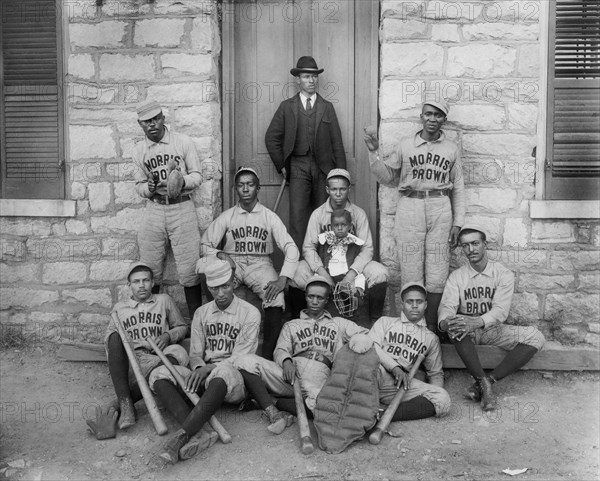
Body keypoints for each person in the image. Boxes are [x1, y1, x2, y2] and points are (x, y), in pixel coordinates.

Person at [363, 101, 465, 334]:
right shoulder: (406, 145)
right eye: (428, 114)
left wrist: (458, 222)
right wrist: (373, 153)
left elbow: (458, 187)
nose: (432, 119)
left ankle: (431, 327)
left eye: (438, 115)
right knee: (410, 268)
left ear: (444, 120)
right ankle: (410, 327)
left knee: (438, 271)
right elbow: (387, 177)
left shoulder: (450, 149)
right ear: (421, 117)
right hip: (410, 206)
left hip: (440, 205)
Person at [151, 257, 261, 464]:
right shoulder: (201, 313)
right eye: (215, 288)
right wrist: (200, 368)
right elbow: (195, 354)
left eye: (225, 287)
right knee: (160, 374)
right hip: (205, 377)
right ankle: (199, 431)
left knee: (223, 372)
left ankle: (180, 438)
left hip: (233, 380)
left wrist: (209, 368)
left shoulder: (250, 313)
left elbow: (240, 358)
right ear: (208, 287)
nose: (220, 294)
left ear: (233, 284)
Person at [234, 274, 369, 431]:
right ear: (305, 297)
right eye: (311, 296)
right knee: (245, 361)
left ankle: (271, 400)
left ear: (326, 300)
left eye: (320, 298)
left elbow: (365, 335)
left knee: (327, 408)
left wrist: (352, 349)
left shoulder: (338, 324)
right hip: (290, 375)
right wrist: (286, 361)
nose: (314, 301)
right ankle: (272, 412)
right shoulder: (292, 325)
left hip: (320, 374)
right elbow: (281, 349)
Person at [438, 224, 545, 411]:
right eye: (465, 246)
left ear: (484, 244)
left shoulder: (502, 273)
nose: (470, 249)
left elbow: (500, 311)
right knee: (456, 326)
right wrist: (447, 322)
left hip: (491, 329)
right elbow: (447, 307)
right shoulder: (457, 277)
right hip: (466, 333)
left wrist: (478, 322)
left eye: (475, 243)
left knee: (536, 337)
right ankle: (484, 385)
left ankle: (487, 381)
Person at [199, 167, 299, 360]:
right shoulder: (228, 216)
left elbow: (291, 247)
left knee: (276, 298)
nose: (245, 189)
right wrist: (220, 254)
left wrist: (282, 279)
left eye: (250, 185)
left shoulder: (269, 216)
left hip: (260, 264)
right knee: (204, 266)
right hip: (232, 262)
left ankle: (268, 358)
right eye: (241, 185)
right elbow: (205, 244)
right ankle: (215, 339)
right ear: (236, 189)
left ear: (258, 188)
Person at [86, 262, 188, 440]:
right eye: (136, 281)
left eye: (146, 280)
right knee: (114, 337)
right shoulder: (120, 308)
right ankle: (125, 404)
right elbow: (110, 342)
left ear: (152, 282)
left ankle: (122, 404)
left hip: (159, 357)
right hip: (134, 360)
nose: (141, 285)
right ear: (129, 285)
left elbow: (181, 327)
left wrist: (167, 336)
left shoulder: (163, 300)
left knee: (180, 352)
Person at [265, 55, 346, 249]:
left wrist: (341, 175)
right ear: (298, 80)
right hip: (297, 167)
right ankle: (299, 267)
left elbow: (337, 143)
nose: (312, 80)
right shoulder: (287, 107)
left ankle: (324, 264)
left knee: (324, 217)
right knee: (298, 217)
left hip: (323, 169)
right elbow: (271, 138)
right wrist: (282, 166)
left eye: (314, 76)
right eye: (307, 76)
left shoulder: (327, 107)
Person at [132, 99, 204, 319]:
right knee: (150, 268)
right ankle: (151, 321)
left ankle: (195, 325)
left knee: (190, 268)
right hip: (155, 208)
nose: (152, 125)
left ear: (163, 118)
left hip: (181, 206)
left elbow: (198, 175)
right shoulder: (139, 150)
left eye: (155, 119)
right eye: (146, 122)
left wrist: (181, 181)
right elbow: (139, 186)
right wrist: (149, 188)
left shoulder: (182, 142)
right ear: (140, 124)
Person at [291, 168, 389, 324]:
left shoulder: (358, 213)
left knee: (380, 272)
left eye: (342, 189)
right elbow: (308, 248)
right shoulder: (318, 214)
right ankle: (297, 321)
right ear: (327, 189)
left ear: (348, 189)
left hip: (352, 265)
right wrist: (322, 272)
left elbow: (367, 249)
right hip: (324, 265)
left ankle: (374, 321)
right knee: (296, 272)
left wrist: (351, 274)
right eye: (334, 189)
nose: (338, 193)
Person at [369, 282, 451, 421]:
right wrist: (394, 367)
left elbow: (435, 374)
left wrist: (431, 394)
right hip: (376, 372)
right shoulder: (385, 322)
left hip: (399, 384)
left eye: (418, 302)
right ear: (402, 304)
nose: (414, 306)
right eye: (409, 301)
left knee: (443, 398)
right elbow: (371, 346)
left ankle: (381, 416)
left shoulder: (430, 338)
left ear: (425, 305)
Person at [317, 208, 366, 293]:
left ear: (350, 226)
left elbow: (356, 260)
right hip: (329, 273)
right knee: (316, 280)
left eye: (343, 225)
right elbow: (321, 256)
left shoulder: (353, 242)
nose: (340, 228)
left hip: (346, 274)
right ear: (331, 226)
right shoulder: (326, 239)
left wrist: (351, 275)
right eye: (336, 225)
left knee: (360, 279)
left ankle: (355, 298)